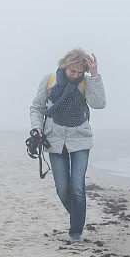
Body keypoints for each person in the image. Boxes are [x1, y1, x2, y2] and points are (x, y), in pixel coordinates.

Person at [30, 48, 106, 244]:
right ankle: (78, 218)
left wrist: (95, 74)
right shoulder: (49, 79)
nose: (76, 75)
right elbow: (37, 107)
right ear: (64, 67)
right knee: (63, 189)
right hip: (55, 141)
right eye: (72, 71)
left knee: (77, 187)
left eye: (80, 72)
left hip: (80, 139)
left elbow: (98, 104)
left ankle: (75, 233)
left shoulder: (86, 82)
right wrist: (37, 127)